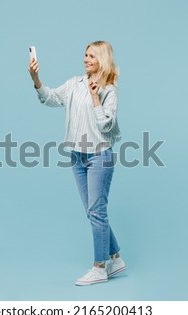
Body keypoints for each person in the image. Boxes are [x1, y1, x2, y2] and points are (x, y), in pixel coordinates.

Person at [28, 40, 126, 286]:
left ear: (102, 59)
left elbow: (106, 124)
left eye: (91, 56)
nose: (86, 59)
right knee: (92, 212)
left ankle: (100, 267)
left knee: (97, 212)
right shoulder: (74, 83)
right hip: (77, 156)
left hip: (99, 156)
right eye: (85, 54)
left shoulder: (109, 90)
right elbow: (50, 98)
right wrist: (36, 79)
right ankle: (115, 258)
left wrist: (95, 98)